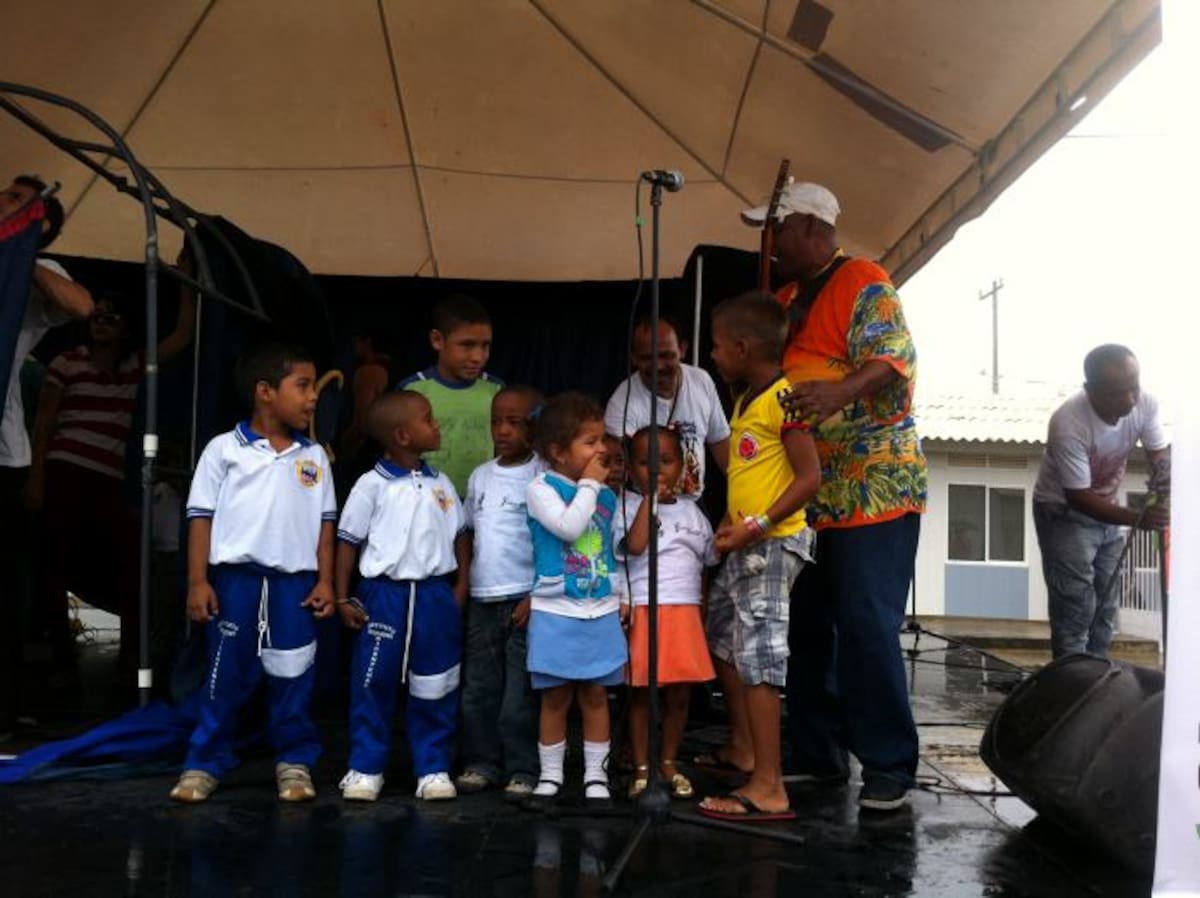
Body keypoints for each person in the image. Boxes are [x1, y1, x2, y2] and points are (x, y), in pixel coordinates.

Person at [742, 181, 927, 812]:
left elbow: (892, 359)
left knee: (866, 621)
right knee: (808, 624)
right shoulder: (787, 298)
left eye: (777, 232)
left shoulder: (864, 280)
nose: (768, 246)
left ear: (812, 228)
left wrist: (838, 395)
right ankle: (817, 753)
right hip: (807, 491)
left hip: (872, 483)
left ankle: (888, 764)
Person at [170, 342, 337, 803]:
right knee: (223, 674)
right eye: (302, 386)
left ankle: (294, 760)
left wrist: (325, 580)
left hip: (294, 587)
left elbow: (326, 527)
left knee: (294, 676)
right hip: (235, 583)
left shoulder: (315, 457)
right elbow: (199, 517)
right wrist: (198, 581)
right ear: (265, 391)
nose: (312, 397)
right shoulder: (224, 450)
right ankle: (204, 760)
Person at [695, 292, 820, 822]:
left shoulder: (783, 399)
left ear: (743, 348)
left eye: (718, 348)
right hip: (746, 544)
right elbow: (754, 471)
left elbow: (810, 477)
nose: (714, 357)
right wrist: (732, 521)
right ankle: (745, 748)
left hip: (771, 545)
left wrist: (759, 525)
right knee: (722, 636)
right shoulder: (747, 398)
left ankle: (769, 785)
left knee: (761, 656)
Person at [27, 285, 195, 669]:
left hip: (110, 479)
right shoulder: (66, 362)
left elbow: (181, 339)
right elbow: (44, 424)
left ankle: (131, 660)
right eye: (96, 316)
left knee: (128, 564)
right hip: (64, 471)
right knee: (55, 565)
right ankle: (60, 658)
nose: (100, 323)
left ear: (125, 326)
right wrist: (36, 478)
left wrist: (186, 286)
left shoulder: (135, 365)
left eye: (110, 317)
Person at [335, 390, 469, 802]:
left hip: (434, 597)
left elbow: (461, 534)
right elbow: (347, 540)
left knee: (436, 684)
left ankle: (432, 768)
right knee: (373, 681)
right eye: (429, 419)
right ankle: (365, 767)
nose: (437, 426)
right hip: (384, 596)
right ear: (403, 436)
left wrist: (460, 586)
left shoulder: (441, 483)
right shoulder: (371, 485)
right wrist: (343, 597)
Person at [0, 175, 92, 736]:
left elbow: (81, 305)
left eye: (18, 203)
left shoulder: (35, 273)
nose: (3, 204)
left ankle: (3, 711)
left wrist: (21, 250)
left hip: (3, 454)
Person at [523, 392, 627, 809]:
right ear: (557, 451)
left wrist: (620, 596)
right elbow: (568, 528)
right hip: (555, 610)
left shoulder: (605, 495)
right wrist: (589, 485)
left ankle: (595, 776)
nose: (601, 449)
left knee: (597, 695)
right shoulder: (541, 489)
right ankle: (550, 777)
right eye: (590, 442)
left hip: (598, 609)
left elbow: (610, 551)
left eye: (602, 439)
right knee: (555, 697)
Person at [1033, 344, 1169, 658]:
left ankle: (1097, 675)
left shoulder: (1145, 403)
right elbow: (1078, 496)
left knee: (1106, 603)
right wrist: (1138, 517)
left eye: (1134, 388)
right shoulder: (1069, 423)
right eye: (1117, 393)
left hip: (1107, 509)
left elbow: (1157, 450)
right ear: (1090, 390)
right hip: (1063, 513)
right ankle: (1071, 681)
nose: (1130, 400)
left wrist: (1162, 469)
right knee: (1076, 605)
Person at [615, 425, 716, 800]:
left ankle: (669, 761)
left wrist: (702, 612)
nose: (655, 470)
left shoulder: (693, 513)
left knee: (679, 694)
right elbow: (636, 546)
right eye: (644, 462)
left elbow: (707, 561)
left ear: (683, 465)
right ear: (629, 466)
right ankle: (642, 766)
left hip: (684, 611)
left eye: (666, 462)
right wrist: (648, 503)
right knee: (642, 692)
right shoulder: (625, 506)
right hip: (644, 608)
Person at [456, 385, 545, 801]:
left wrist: (536, 595)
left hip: (524, 599)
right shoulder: (480, 476)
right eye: (496, 420)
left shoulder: (542, 475)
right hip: (483, 598)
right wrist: (464, 583)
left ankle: (523, 768)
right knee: (478, 688)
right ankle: (481, 762)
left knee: (520, 694)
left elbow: (552, 543)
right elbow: (468, 533)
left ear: (535, 425)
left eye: (514, 422)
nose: (502, 430)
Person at [604, 317, 729, 500]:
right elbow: (617, 467)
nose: (658, 365)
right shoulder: (621, 403)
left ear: (683, 349)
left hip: (691, 504)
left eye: (666, 355)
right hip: (643, 505)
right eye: (647, 358)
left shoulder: (701, 381)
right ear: (633, 358)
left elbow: (720, 442)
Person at [397, 294, 503, 497]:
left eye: (485, 346)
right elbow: (399, 452)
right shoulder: (414, 389)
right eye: (467, 345)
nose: (478, 357)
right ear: (437, 340)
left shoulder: (496, 390)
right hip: (426, 502)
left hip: (482, 503)